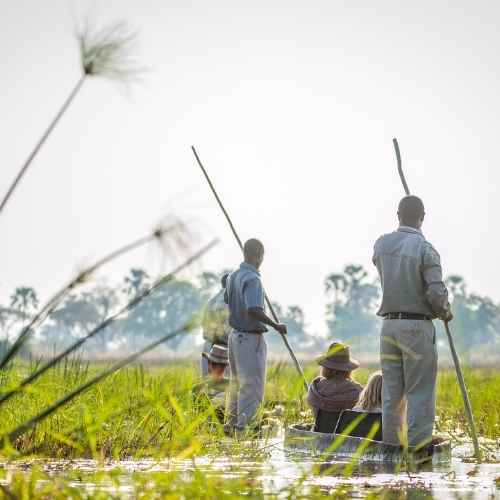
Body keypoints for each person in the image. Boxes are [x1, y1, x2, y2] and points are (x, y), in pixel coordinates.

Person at [373, 195, 452, 448]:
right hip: (416, 327)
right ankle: (418, 450)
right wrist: (445, 311)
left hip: (389, 326)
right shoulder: (425, 249)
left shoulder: (382, 244)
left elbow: (379, 264)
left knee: (391, 393)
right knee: (420, 392)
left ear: (398, 215)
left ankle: (392, 449)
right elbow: (436, 292)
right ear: (423, 218)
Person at [225, 238, 287, 433]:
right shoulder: (252, 279)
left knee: (236, 384)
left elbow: (228, 299)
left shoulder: (233, 276)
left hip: (234, 337)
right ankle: (247, 429)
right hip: (250, 339)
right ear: (258, 255)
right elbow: (253, 309)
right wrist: (275, 325)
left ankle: (232, 425)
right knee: (251, 387)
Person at [307, 342, 363, 417]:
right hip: (346, 428)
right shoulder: (357, 391)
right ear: (347, 369)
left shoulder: (315, 388)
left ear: (326, 367)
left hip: (320, 428)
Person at [200, 273, 231, 376]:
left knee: (207, 382)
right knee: (224, 385)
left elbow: (203, 324)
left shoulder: (211, 302)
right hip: (223, 349)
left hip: (208, 346)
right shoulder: (229, 301)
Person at [192, 344, 230, 422]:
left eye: (221, 365)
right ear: (209, 364)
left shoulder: (232, 387)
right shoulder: (197, 389)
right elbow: (195, 416)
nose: (218, 368)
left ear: (226, 366)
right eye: (215, 364)